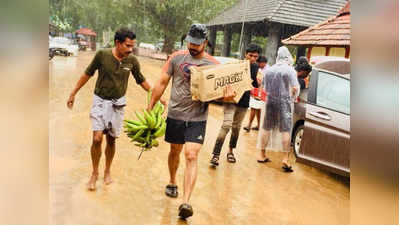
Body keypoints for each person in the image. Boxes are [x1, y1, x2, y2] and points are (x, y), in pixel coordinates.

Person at [148, 24, 235, 219]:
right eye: (191, 42)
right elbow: (162, 82)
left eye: (198, 44)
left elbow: (220, 95)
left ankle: (185, 202)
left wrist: (228, 97)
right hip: (176, 114)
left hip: (198, 117)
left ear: (206, 42)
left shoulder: (213, 64)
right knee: (175, 151)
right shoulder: (176, 57)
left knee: (191, 155)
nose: (193, 47)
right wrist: (150, 105)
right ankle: (172, 181)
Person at [67, 28, 153, 191]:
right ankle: (94, 173)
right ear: (117, 43)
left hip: (118, 104)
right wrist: (73, 93)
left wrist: (157, 96)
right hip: (100, 101)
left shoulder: (132, 61)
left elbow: (141, 80)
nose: (130, 49)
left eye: (132, 46)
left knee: (112, 139)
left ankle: (107, 171)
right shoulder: (102, 55)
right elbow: (87, 73)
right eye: (127, 45)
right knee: (97, 138)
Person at [210, 44, 261, 166]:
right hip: (230, 99)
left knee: (236, 128)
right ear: (245, 54)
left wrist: (257, 82)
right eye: (250, 55)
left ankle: (230, 151)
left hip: (243, 101)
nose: (253, 58)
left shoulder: (254, 66)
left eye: (255, 56)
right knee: (226, 125)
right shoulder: (235, 65)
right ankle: (216, 155)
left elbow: (253, 83)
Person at [256, 46, 300, 173]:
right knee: (285, 129)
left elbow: (263, 88)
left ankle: (262, 154)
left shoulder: (269, 70)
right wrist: (292, 96)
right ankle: (285, 158)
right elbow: (295, 88)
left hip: (270, 101)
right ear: (287, 57)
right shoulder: (290, 70)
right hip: (284, 102)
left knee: (266, 127)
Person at [244, 56, 268, 132]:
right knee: (257, 109)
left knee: (254, 108)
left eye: (259, 63)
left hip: (263, 92)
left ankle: (249, 125)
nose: (257, 64)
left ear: (263, 63)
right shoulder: (260, 69)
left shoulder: (267, 70)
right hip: (257, 91)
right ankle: (258, 125)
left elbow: (261, 82)